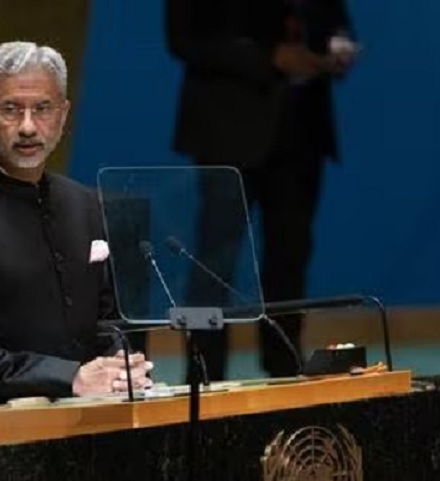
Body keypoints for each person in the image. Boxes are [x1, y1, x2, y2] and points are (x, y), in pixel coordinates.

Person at [0, 41, 153, 411]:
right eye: (11, 109)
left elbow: (108, 320)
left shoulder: (87, 205)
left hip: (94, 419)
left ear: (63, 114)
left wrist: (121, 366)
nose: (28, 126)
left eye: (42, 109)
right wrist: (69, 377)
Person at [165, 0, 359, 380]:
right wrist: (270, 56)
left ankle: (285, 366)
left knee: (290, 259)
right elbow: (183, 40)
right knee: (212, 263)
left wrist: (337, 44)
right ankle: (202, 374)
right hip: (227, 129)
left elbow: (333, 18)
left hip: (301, 131)